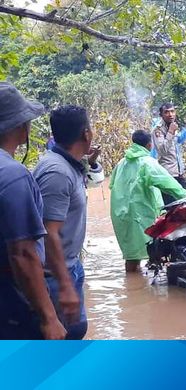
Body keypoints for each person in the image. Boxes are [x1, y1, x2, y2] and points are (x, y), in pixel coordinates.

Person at [0, 82, 66, 340]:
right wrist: (49, 318)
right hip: (10, 297)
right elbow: (23, 253)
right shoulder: (12, 176)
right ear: (21, 127)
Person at [33, 105, 103, 340]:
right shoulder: (57, 172)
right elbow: (48, 232)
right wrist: (64, 285)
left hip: (68, 265)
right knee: (66, 335)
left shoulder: (66, 164)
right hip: (54, 274)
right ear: (86, 134)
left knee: (75, 330)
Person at [110, 130, 186, 273]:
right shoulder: (147, 163)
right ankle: (146, 291)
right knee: (152, 250)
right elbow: (170, 185)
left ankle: (132, 289)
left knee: (131, 256)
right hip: (141, 214)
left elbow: (111, 185)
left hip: (121, 214)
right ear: (149, 145)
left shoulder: (121, 163)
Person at [150, 103, 186, 204]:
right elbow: (162, 150)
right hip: (168, 175)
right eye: (166, 112)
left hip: (179, 173)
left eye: (172, 111)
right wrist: (171, 132)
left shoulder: (173, 126)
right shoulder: (157, 130)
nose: (170, 114)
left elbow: (177, 142)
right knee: (171, 207)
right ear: (161, 115)